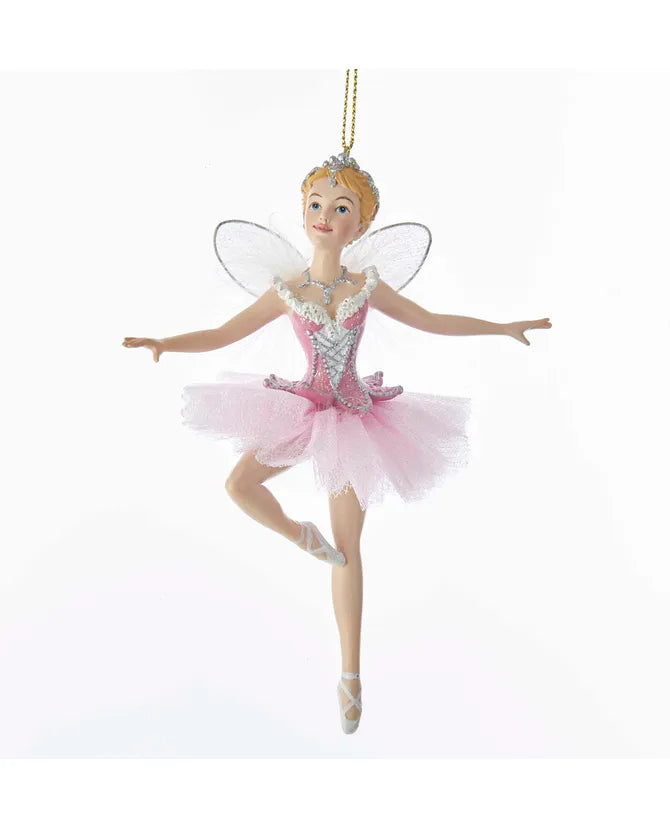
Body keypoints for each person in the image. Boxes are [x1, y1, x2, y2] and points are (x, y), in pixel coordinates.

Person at [122, 150, 552, 734]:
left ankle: (351, 673)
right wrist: (166, 342)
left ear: (361, 225)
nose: (325, 216)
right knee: (240, 485)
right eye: (316, 204)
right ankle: (301, 536)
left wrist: (501, 327)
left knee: (349, 548)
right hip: (303, 407)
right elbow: (224, 334)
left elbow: (430, 320)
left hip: (352, 417)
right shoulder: (286, 290)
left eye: (341, 208)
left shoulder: (365, 287)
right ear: (303, 212)